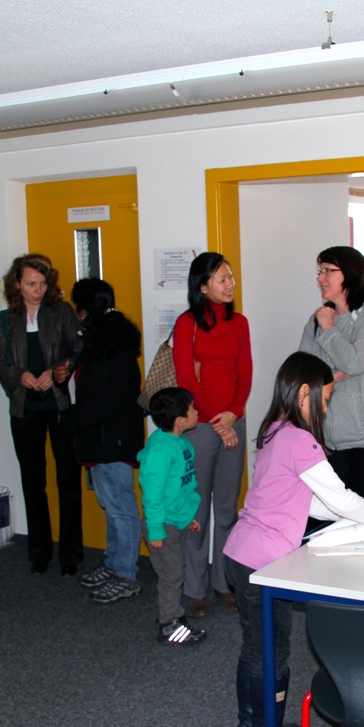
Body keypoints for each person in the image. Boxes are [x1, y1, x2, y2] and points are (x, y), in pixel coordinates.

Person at [223, 351, 364, 727]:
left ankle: (249, 725)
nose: (325, 408)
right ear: (304, 392)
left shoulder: (274, 432)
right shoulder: (300, 440)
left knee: (255, 646)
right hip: (264, 564)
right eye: (325, 399)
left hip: (239, 554)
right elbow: (338, 496)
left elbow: (312, 502)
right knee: (274, 652)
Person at [0, 254, 85, 575]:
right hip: (24, 409)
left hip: (59, 406)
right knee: (33, 483)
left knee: (68, 481)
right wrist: (20, 375)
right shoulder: (5, 320)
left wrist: (56, 370)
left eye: (43, 283)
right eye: (31, 283)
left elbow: (79, 350)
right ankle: (39, 552)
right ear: (17, 284)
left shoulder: (62, 312)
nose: (38, 290)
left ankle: (71, 554)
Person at [172, 252, 253, 616]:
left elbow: (245, 373)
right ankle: (195, 587)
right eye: (222, 279)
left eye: (230, 277)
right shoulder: (186, 323)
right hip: (200, 427)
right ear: (203, 287)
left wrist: (233, 414)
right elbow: (186, 380)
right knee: (197, 509)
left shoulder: (240, 323)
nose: (230, 284)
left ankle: (223, 581)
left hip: (233, 422)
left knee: (227, 509)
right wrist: (219, 423)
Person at [298, 246, 364, 507]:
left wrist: (328, 327)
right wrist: (334, 377)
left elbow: (354, 362)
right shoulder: (316, 320)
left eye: (328, 270)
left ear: (350, 273)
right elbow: (302, 374)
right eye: (319, 271)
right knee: (333, 520)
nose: (320, 277)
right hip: (330, 442)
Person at [63, 279, 146, 604]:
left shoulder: (108, 344)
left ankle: (126, 575)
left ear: (84, 310)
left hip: (111, 441)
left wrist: (67, 420)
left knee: (121, 509)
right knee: (112, 507)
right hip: (105, 439)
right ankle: (114, 563)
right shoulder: (107, 338)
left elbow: (101, 401)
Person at [137, 387, 208, 645]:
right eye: (192, 409)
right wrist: (156, 529)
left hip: (175, 520)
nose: (197, 412)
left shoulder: (181, 444)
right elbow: (152, 495)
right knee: (171, 575)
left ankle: (172, 614)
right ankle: (169, 624)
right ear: (179, 421)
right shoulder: (160, 452)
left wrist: (187, 517)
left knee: (176, 570)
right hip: (162, 525)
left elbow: (181, 488)